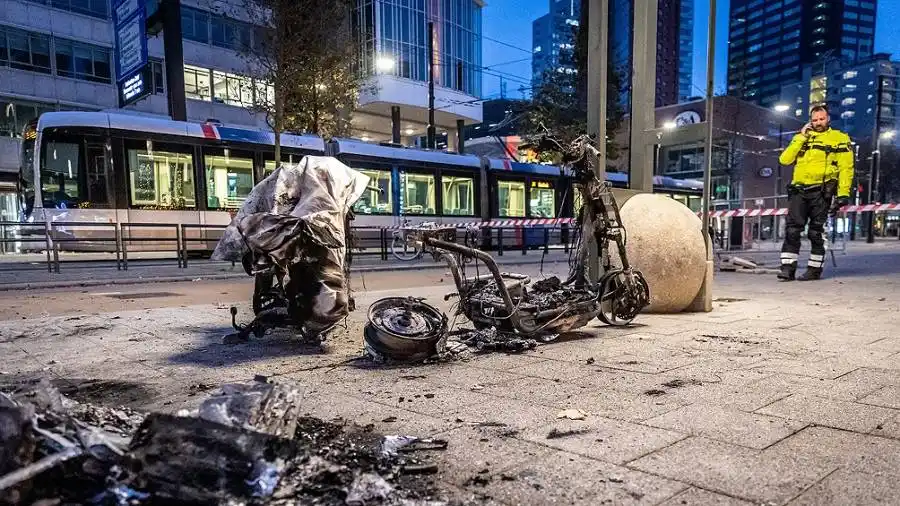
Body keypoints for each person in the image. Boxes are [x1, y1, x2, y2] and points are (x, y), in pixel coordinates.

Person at [777, 105, 854, 281]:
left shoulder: (839, 139)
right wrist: (801, 137)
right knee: (792, 231)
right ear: (810, 120)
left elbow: (846, 168)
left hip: (822, 192)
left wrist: (843, 194)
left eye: (821, 119)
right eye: (815, 119)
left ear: (828, 119)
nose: (818, 122)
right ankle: (787, 269)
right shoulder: (803, 137)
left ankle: (814, 270)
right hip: (799, 190)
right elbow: (785, 159)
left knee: (816, 232)